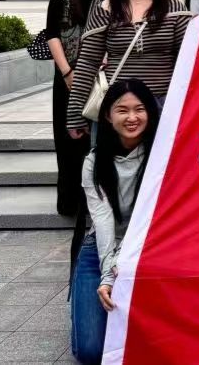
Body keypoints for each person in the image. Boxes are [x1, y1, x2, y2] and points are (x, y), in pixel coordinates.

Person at [70, 78, 161, 365]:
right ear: (108, 116)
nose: (132, 117)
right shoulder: (94, 162)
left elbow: (147, 219)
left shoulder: (163, 157)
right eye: (122, 110)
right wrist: (109, 274)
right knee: (90, 351)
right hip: (101, 247)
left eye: (139, 109)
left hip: (148, 247)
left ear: (151, 112)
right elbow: (103, 221)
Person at [66, 0, 192, 137]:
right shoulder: (105, 9)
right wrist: (74, 113)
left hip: (163, 108)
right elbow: (88, 62)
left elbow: (186, 62)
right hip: (117, 109)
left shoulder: (176, 9)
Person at [47, 0, 108, 217]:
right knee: (68, 139)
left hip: (102, 75)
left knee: (98, 138)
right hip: (67, 76)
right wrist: (67, 72)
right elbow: (52, 35)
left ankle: (99, 199)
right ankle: (70, 202)